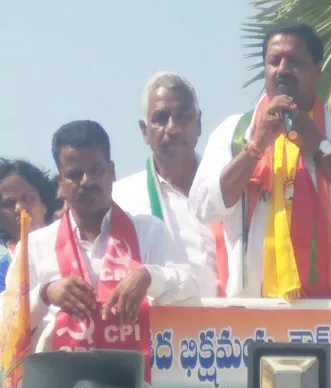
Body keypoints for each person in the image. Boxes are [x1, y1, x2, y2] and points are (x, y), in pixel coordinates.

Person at [189, 22, 331, 299]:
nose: (282, 69)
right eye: (274, 61)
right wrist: (255, 147)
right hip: (255, 317)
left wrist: (320, 145)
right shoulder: (233, 133)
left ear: (318, 69)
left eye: (293, 61)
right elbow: (203, 207)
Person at [0, 120, 199, 370]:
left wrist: (149, 276)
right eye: (74, 174)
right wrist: (45, 293)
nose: (87, 181)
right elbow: (6, 319)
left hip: (135, 381)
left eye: (96, 170)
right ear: (60, 182)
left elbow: (191, 286)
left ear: (112, 171)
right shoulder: (36, 246)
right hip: (58, 384)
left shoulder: (148, 231)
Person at [113, 72, 219, 298]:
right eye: (161, 118)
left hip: (237, 329)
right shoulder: (120, 198)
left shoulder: (225, 187)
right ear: (144, 131)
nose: (173, 128)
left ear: (198, 124)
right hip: (159, 330)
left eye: (183, 117)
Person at [0, 159, 62, 293]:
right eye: (8, 204)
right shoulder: (2, 273)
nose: (20, 208)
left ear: (44, 204)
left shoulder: (73, 247)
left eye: (27, 198)